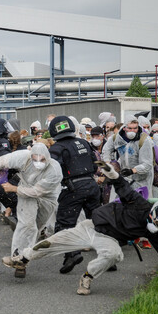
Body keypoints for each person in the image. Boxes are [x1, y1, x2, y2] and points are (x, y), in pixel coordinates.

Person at [1, 164, 158, 295]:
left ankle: (87, 278)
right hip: (91, 227)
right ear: (152, 212)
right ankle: (23, 258)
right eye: (157, 222)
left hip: (110, 240)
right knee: (52, 242)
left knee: (113, 255)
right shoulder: (139, 204)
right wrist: (112, 174)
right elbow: (123, 188)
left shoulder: (155, 232)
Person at [0, 143, 63, 278]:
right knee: (27, 225)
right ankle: (18, 259)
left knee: (38, 226)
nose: (38, 162)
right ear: (30, 156)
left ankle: (25, 252)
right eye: (35, 159)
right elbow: (0, 162)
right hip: (24, 191)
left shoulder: (54, 170)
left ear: (48, 157)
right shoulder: (23, 157)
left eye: (42, 160)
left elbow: (37, 191)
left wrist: (14, 189)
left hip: (47, 196)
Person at [48, 115, 101, 274]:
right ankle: (107, 256)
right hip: (92, 186)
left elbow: (53, 170)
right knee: (98, 222)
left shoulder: (56, 148)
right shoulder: (84, 142)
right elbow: (95, 163)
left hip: (72, 188)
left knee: (64, 224)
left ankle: (72, 254)